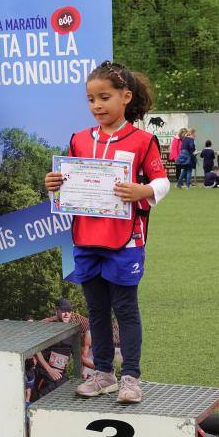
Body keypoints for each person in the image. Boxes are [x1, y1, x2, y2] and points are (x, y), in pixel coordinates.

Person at [44, 61, 170, 404]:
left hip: (125, 240)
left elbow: (161, 182)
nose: (97, 106)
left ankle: (131, 378)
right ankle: (103, 374)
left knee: (125, 309)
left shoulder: (143, 141)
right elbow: (67, 184)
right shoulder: (80, 140)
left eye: (104, 97)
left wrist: (141, 191)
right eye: (90, 99)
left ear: (125, 97)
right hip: (86, 238)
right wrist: (53, 184)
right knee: (97, 310)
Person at [32, 298, 79, 399]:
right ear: (56, 310)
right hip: (45, 376)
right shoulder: (47, 328)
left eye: (69, 311)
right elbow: (35, 349)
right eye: (63, 310)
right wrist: (49, 369)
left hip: (61, 377)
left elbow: (78, 357)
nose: (66, 314)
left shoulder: (73, 331)